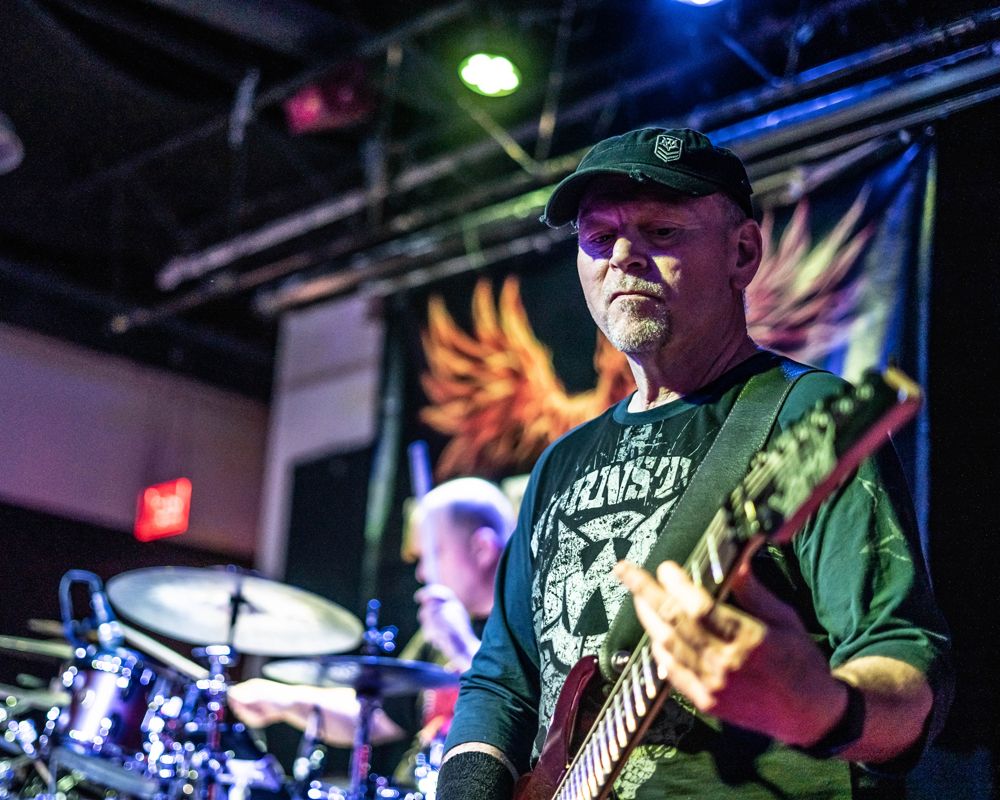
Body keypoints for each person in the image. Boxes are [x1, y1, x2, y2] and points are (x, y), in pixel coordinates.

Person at [436, 128, 952, 800]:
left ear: (742, 253)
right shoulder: (561, 462)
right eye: (599, 237)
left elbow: (909, 669)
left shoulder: (803, 415)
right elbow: (502, 681)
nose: (623, 257)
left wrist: (824, 709)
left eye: (660, 231)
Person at [227, 477, 515, 785]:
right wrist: (284, 700)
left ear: (482, 549)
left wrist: (462, 647)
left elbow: (527, 711)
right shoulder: (437, 632)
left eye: (434, 554)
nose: (422, 573)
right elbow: (375, 717)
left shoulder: (527, 631)